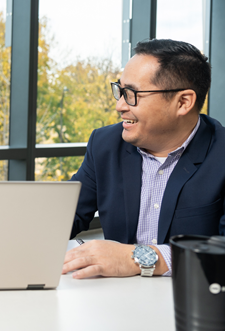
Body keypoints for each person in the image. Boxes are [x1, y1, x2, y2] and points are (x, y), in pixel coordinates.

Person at [63, 39, 225, 279]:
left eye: (131, 94)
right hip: (117, 300)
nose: (119, 106)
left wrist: (139, 259)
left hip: (197, 300)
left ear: (183, 102)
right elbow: (65, 216)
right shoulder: (105, 144)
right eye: (120, 91)